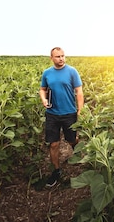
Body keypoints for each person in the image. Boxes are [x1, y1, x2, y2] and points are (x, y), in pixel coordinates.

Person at [39, 47, 84, 188]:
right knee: (54, 144)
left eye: (63, 56)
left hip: (69, 113)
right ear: (51, 58)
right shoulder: (47, 73)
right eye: (58, 56)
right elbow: (42, 89)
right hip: (52, 114)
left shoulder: (72, 71)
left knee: (72, 140)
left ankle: (78, 154)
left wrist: (80, 110)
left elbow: (79, 91)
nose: (61, 58)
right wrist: (44, 99)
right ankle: (57, 171)